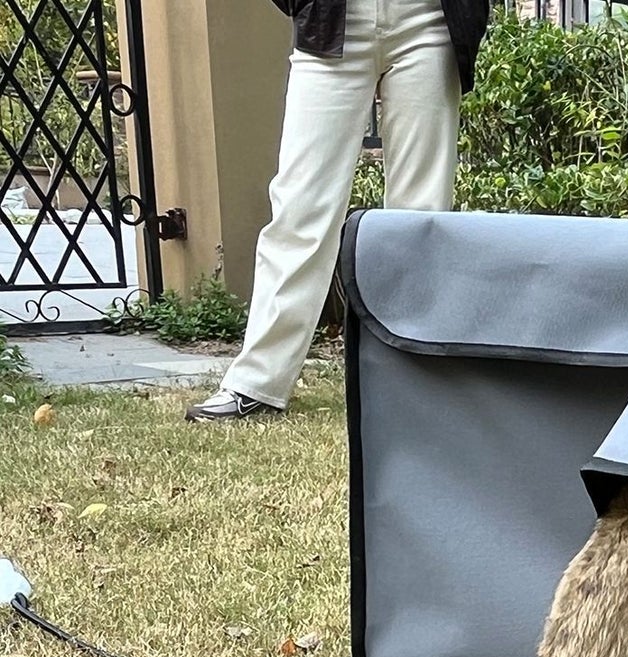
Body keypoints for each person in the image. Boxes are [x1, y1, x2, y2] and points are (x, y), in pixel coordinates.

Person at [186, 0, 489, 422]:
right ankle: (257, 382)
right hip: (332, 20)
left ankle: (413, 382)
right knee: (300, 208)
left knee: (421, 216)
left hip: (429, 19)